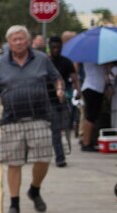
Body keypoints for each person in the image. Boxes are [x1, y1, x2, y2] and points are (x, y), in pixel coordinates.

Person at [0, 25, 63, 213]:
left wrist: (59, 90)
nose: (18, 42)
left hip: (39, 116)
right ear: (8, 43)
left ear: (28, 41)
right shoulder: (1, 63)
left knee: (44, 158)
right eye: (14, 39)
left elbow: (56, 78)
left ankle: (34, 189)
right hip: (11, 118)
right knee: (14, 162)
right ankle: (14, 203)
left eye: (21, 39)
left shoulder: (41, 59)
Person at [47, 36, 80, 167]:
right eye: (53, 47)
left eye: (58, 48)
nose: (56, 50)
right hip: (46, 99)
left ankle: (60, 155)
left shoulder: (66, 62)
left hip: (62, 99)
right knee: (55, 129)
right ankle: (60, 157)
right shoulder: (45, 61)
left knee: (62, 127)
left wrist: (78, 91)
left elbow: (74, 77)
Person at [80, 61, 107, 151]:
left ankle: (87, 141)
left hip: (95, 87)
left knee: (91, 117)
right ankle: (86, 143)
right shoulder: (97, 58)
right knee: (90, 117)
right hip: (93, 88)